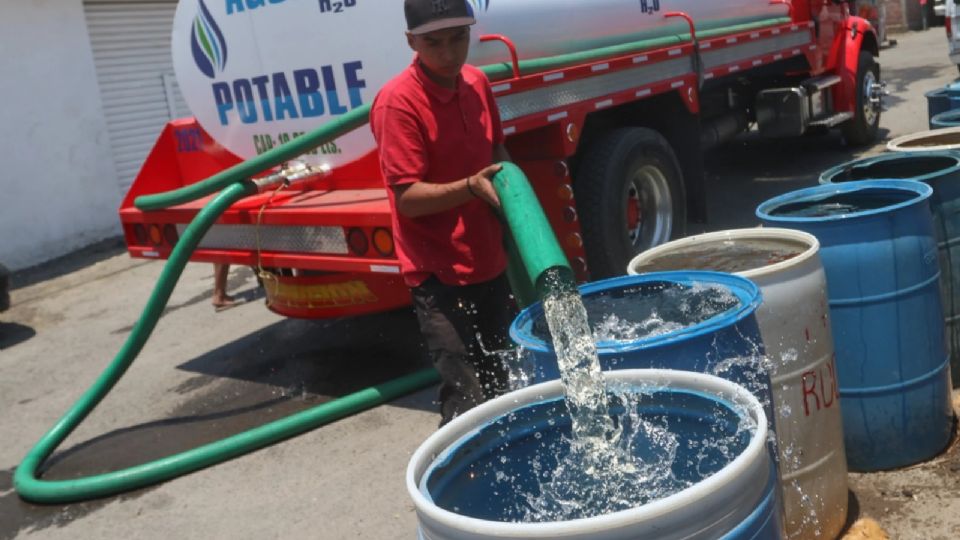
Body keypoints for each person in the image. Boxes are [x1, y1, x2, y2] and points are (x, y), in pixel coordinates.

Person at [370, 0, 517, 426]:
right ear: (411, 41)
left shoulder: (476, 82)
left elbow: (497, 151)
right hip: (437, 270)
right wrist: (471, 186)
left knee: (503, 379)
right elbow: (408, 198)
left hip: (488, 257)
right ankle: (464, 486)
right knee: (465, 396)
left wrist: (520, 213)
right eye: (434, 43)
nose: (450, 54)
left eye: (459, 39)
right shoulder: (398, 103)